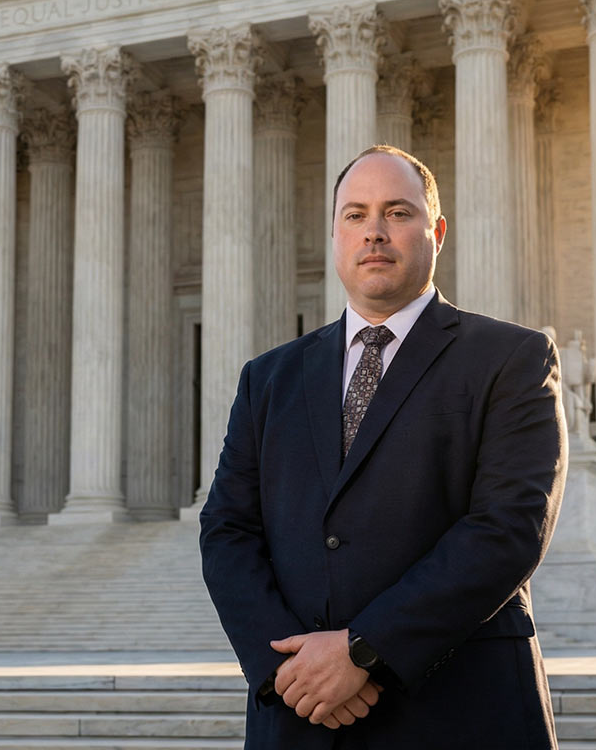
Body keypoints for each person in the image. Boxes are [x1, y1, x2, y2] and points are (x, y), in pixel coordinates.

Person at [199, 145, 568, 749]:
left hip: (458, 714)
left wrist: (365, 650)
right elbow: (226, 529)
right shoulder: (268, 378)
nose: (374, 231)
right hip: (299, 717)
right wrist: (287, 671)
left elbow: (509, 527)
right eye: (355, 214)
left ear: (436, 232)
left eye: (397, 212)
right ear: (335, 236)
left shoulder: (510, 358)